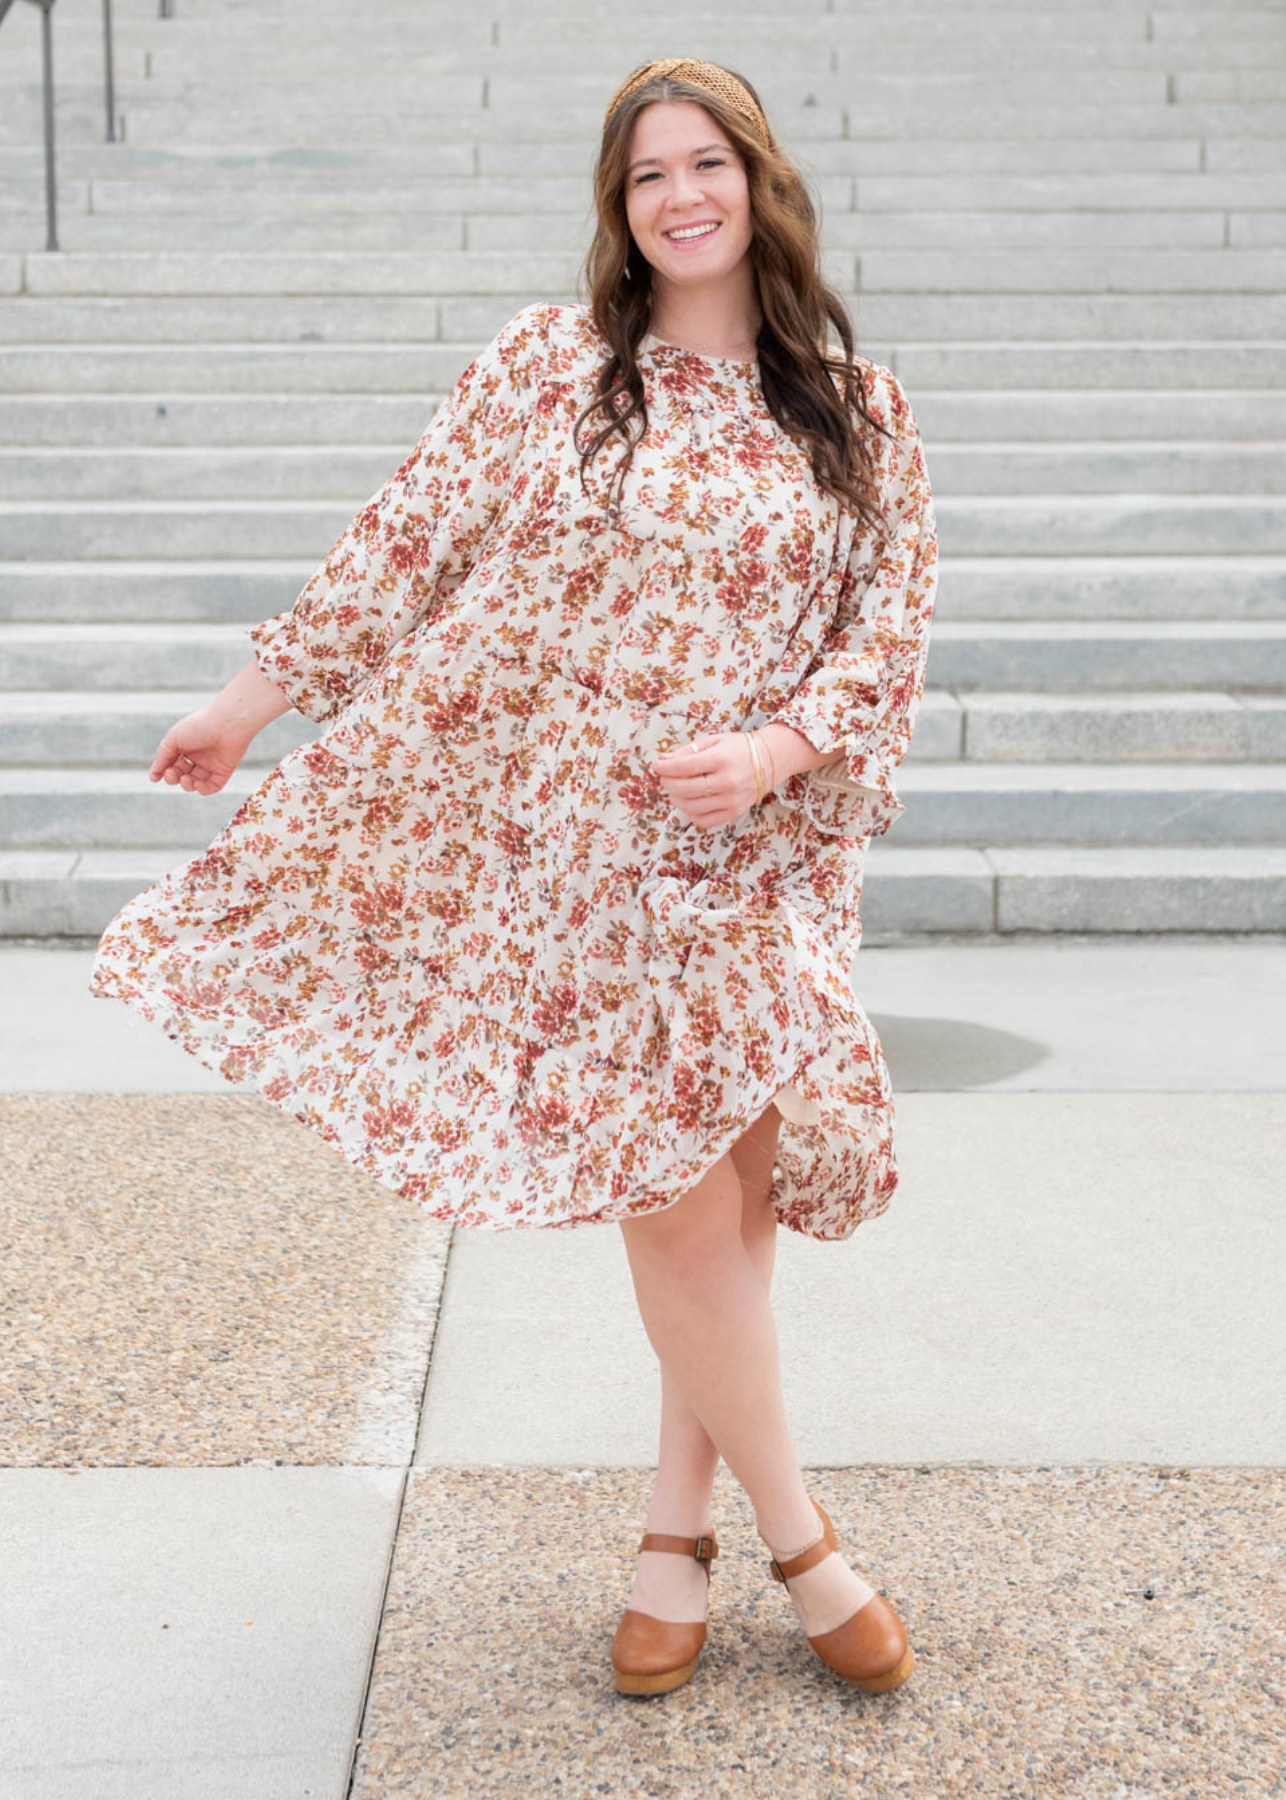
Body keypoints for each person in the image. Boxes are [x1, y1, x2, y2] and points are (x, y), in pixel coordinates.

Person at [88, 56, 937, 1700]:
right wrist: (245, 704)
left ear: (758, 183)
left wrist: (772, 753)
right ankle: (802, 1541)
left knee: (730, 1201)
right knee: (676, 1202)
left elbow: (884, 636)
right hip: (581, 856)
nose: (680, 197)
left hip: (755, 857)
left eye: (706, 164)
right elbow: (404, 541)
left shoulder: (860, 411)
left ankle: (666, 1540)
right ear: (618, 213)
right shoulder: (557, 368)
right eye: (645, 178)